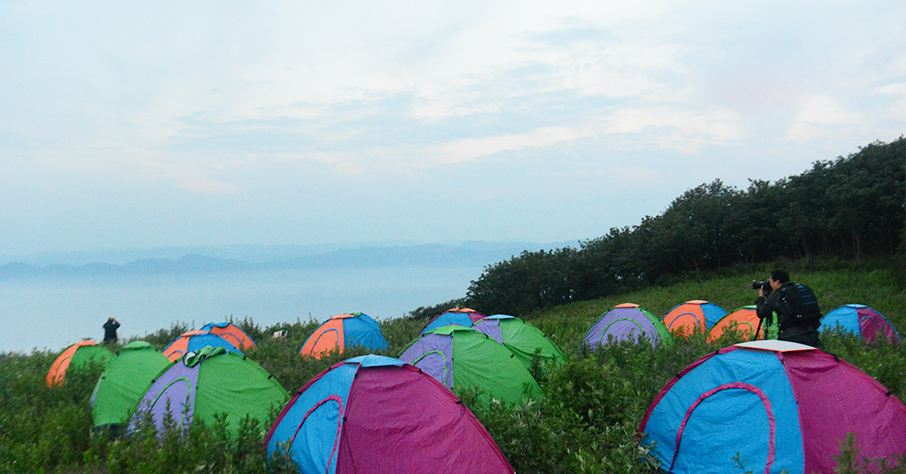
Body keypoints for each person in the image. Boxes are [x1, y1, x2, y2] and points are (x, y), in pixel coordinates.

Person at [755, 270, 821, 347]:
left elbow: (761, 313)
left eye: (771, 281)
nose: (770, 284)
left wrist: (761, 298)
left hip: (791, 337)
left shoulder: (778, 294)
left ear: (777, 282)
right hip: (811, 334)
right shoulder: (798, 290)